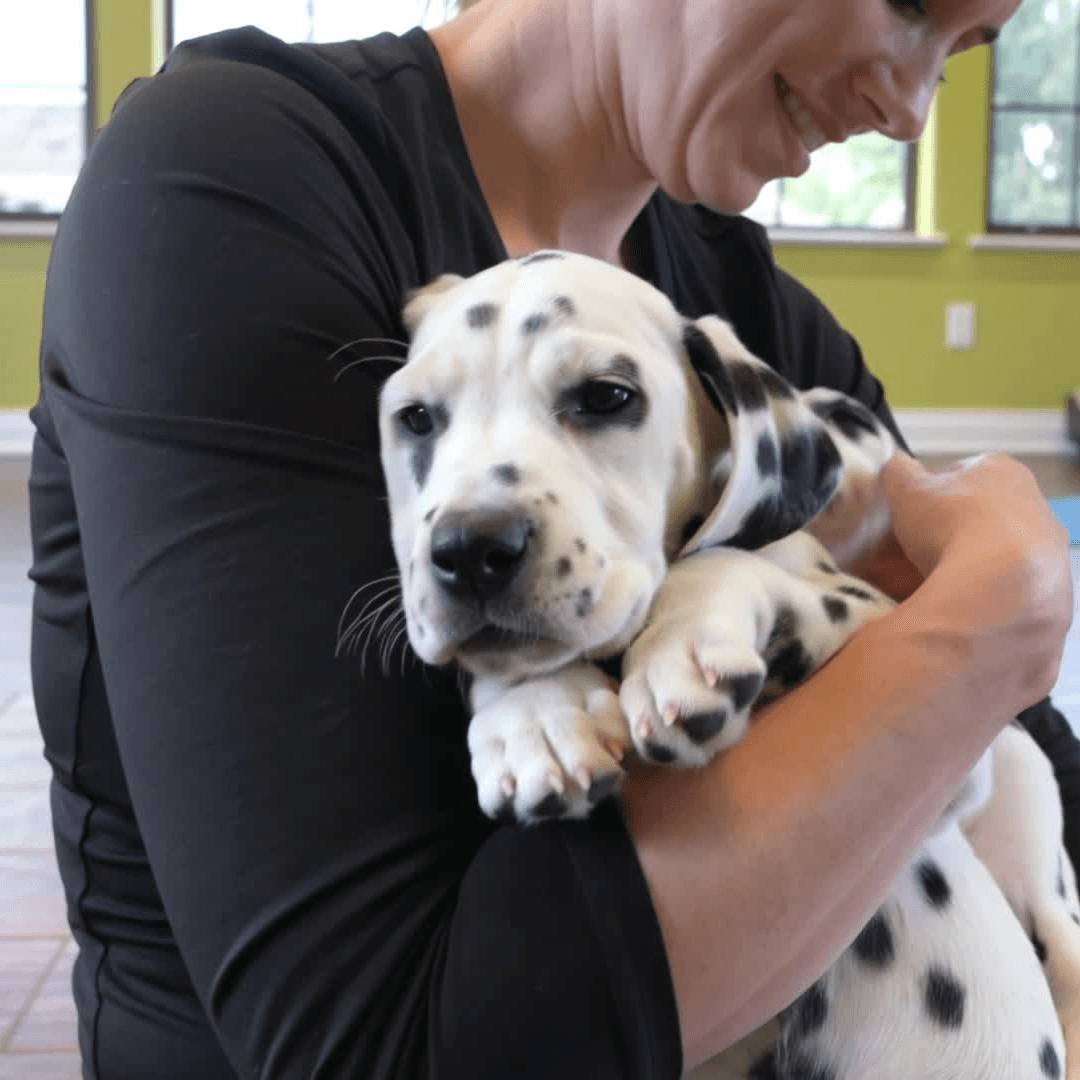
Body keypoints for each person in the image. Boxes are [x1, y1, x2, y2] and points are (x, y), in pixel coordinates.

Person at [27, 0, 1073, 1077]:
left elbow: (1024, 783)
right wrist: (985, 628)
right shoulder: (231, 182)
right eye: (909, 4)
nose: (908, 109)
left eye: (958, 54)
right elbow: (378, 1048)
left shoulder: (756, 327)